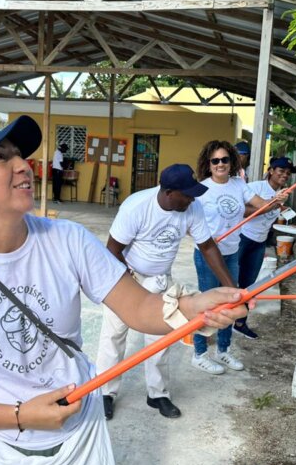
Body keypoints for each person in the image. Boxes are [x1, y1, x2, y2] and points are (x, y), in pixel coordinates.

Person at [0, 116, 248, 465]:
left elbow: (139, 307)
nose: (23, 164)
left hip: (76, 429)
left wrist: (192, 306)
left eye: (18, 155)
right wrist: (21, 415)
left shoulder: (68, 240)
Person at [96, 164, 236, 420]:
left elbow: (207, 247)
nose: (193, 198)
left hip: (161, 281)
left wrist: (231, 287)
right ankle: (105, 392)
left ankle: (158, 394)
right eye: (187, 194)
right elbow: (113, 250)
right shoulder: (137, 206)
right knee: (114, 335)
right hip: (126, 277)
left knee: (160, 339)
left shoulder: (192, 208)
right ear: (169, 192)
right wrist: (129, 290)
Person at [191, 140, 288, 375]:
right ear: (209, 163)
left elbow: (261, 206)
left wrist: (277, 200)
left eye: (225, 159)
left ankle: (223, 350)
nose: (220, 164)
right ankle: (200, 353)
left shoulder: (238, 185)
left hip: (232, 252)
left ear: (231, 161)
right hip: (207, 254)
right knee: (207, 303)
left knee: (232, 301)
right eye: (215, 160)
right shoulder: (201, 189)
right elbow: (189, 221)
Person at [234, 156, 296, 336]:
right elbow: (244, 211)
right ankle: (222, 320)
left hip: (259, 243)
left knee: (249, 285)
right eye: (281, 171)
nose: (285, 175)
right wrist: (273, 204)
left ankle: (240, 323)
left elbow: (273, 216)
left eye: (287, 173)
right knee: (231, 281)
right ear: (271, 171)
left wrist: (283, 212)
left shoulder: (283, 193)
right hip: (242, 239)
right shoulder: (255, 188)